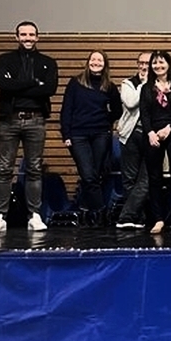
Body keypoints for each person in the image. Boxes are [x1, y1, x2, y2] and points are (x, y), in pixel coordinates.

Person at [0, 20, 58, 233]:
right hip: (9, 119)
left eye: (31, 35)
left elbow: (49, 89)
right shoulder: (5, 60)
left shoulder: (48, 62)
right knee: (4, 168)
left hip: (36, 120)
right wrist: (33, 82)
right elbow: (3, 84)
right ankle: (0, 216)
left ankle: (34, 215)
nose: (27, 38)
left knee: (34, 168)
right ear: (16, 37)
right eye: (23, 34)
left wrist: (19, 86)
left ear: (37, 37)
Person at [58, 50, 121, 227]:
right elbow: (66, 110)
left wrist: (106, 121)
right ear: (88, 62)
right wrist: (66, 134)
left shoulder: (109, 86)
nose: (96, 62)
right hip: (78, 135)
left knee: (94, 175)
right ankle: (101, 212)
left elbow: (118, 111)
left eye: (99, 60)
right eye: (93, 59)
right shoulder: (75, 83)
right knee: (88, 174)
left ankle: (86, 212)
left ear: (105, 64)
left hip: (101, 134)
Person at [141, 50, 171, 234]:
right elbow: (144, 113)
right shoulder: (147, 88)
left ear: (169, 64)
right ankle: (158, 219)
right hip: (153, 135)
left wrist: (169, 128)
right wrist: (150, 133)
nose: (158, 66)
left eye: (161, 62)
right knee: (154, 178)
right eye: (155, 63)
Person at [114, 52, 151, 229]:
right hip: (131, 136)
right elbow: (130, 102)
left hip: (152, 137)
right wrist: (144, 83)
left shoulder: (161, 82)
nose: (144, 67)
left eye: (148, 63)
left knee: (147, 179)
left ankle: (126, 216)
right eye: (141, 63)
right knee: (129, 180)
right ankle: (136, 218)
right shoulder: (129, 83)